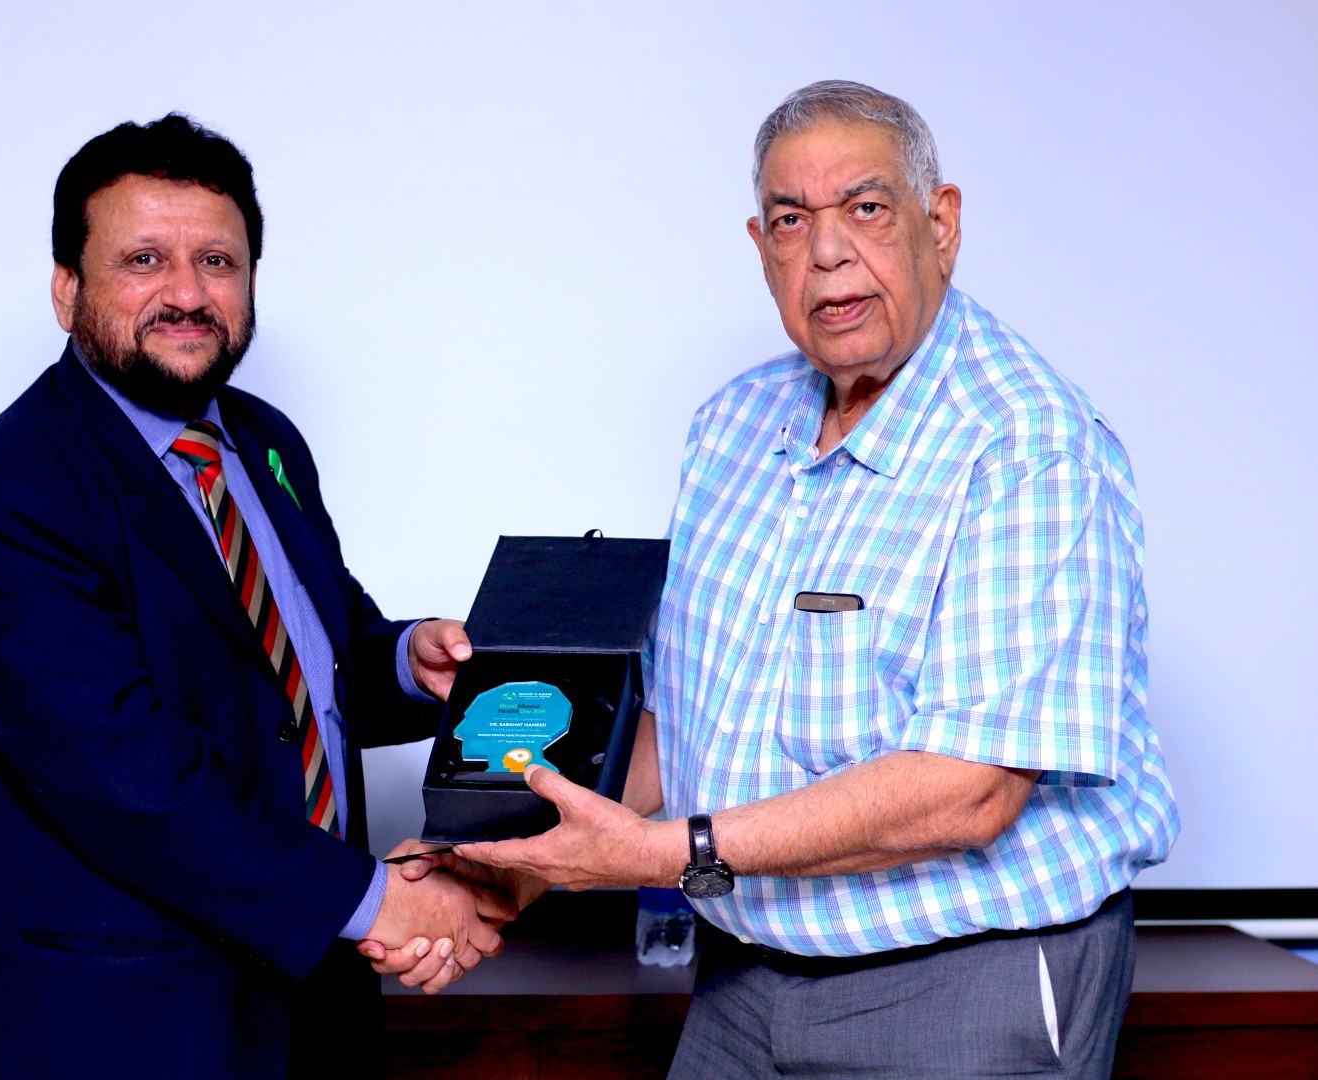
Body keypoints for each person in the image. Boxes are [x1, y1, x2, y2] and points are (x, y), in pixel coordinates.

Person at [438, 81, 1181, 1077]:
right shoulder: (731, 427)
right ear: (762, 247)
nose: (828, 251)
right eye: (792, 220)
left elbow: (967, 793)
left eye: (865, 208)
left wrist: (656, 855)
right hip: (741, 978)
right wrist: (504, 856)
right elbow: (676, 724)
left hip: (965, 983)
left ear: (941, 223)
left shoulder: (1029, 444)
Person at [0, 113, 509, 1080]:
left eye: (218, 262)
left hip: (303, 990)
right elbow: (125, 774)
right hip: (115, 1023)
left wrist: (407, 661)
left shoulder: (264, 442)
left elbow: (286, 668)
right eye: (144, 260)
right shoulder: (9, 493)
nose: (188, 294)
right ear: (67, 290)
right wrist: (380, 901)